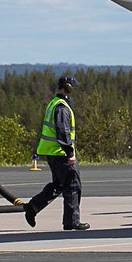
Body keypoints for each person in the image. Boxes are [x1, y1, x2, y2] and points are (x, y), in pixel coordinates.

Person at [24, 75, 90, 231]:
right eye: (72, 86)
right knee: (73, 185)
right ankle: (71, 222)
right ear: (67, 87)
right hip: (61, 153)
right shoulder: (61, 107)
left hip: (53, 153)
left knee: (58, 185)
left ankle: (33, 207)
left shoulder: (54, 103)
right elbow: (63, 132)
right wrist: (70, 153)